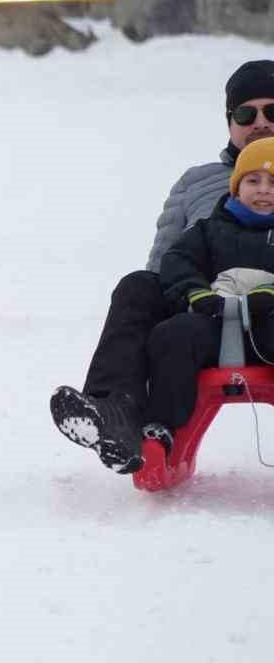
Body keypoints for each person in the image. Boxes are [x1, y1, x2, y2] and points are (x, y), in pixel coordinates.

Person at [51, 60, 274, 471]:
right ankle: (113, 413)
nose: (260, 123)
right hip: (199, 317)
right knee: (138, 285)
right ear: (230, 123)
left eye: (271, 111)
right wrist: (192, 294)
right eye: (246, 114)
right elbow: (164, 264)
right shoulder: (197, 182)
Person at [137, 138, 274, 443]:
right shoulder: (209, 229)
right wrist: (197, 293)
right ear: (236, 187)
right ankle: (162, 430)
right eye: (253, 180)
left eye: (273, 182)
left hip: (267, 332)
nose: (264, 189)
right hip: (212, 322)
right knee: (172, 335)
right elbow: (177, 261)